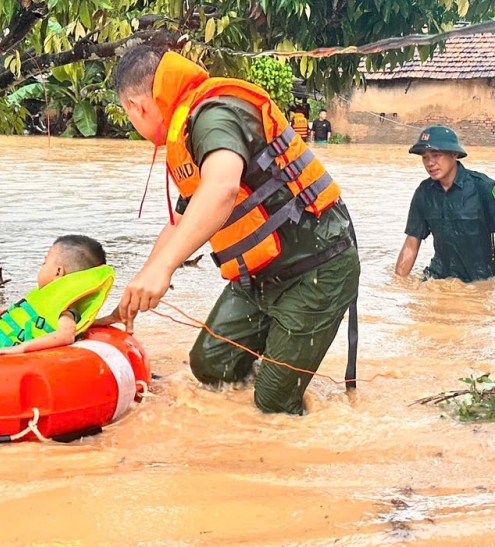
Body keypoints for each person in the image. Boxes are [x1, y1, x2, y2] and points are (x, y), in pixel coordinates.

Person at [109, 46, 359, 414]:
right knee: (211, 367)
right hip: (260, 275)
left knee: (273, 406)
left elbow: (222, 189)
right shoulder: (187, 129)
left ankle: (283, 382)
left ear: (136, 106)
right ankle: (279, 361)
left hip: (316, 268)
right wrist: (140, 285)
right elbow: (181, 221)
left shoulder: (211, 115)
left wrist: (163, 271)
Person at [394, 126, 495, 286]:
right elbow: (411, 243)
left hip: (480, 279)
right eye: (425, 158)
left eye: (436, 155)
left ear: (454, 155)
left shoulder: (483, 187)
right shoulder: (423, 193)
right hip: (438, 278)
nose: (430, 163)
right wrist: (397, 283)